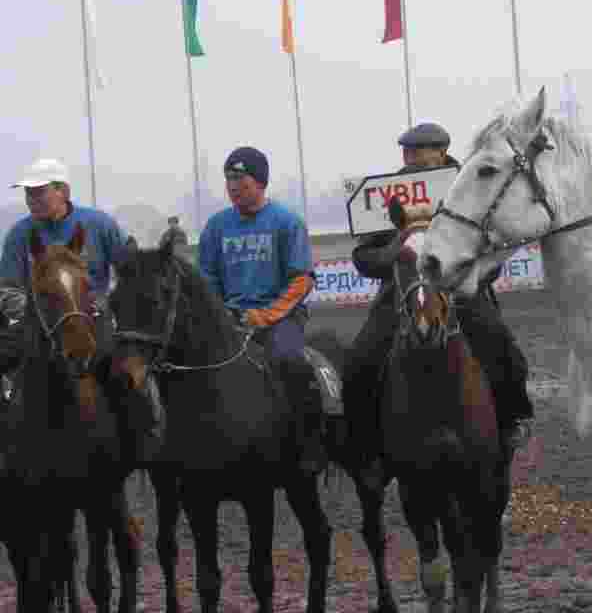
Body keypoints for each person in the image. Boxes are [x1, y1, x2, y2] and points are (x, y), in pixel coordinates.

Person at [343, 121, 535, 473]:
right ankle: (364, 443)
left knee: (500, 345)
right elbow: (363, 256)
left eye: (419, 152)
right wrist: (393, 255)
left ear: (442, 152)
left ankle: (510, 422)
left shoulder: (473, 183)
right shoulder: (384, 195)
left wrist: (475, 273)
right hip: (402, 294)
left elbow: (493, 243)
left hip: (462, 292)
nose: (410, 158)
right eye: (407, 152)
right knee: (361, 355)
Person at [197, 146, 326, 474]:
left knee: (290, 362)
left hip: (280, 318)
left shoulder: (286, 222)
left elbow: (301, 279)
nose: (234, 186)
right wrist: (220, 313)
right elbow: (206, 279)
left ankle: (308, 444)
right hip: (228, 318)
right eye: (229, 179)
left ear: (260, 181)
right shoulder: (215, 227)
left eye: (241, 179)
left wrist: (266, 316)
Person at [0, 158, 125, 378]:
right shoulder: (18, 235)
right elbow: (7, 289)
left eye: (39, 192)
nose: (31, 200)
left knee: (125, 374)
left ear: (63, 192)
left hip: (95, 319)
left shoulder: (100, 224)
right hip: (39, 323)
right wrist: (36, 311)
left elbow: (130, 272)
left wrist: (108, 304)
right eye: (28, 193)